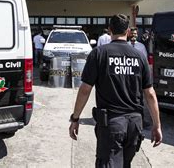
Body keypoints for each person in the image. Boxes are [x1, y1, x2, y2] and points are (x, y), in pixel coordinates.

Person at [69, 14, 162, 167]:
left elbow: (85, 89)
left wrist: (75, 118)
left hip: (111, 124)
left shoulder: (99, 54)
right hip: (134, 124)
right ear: (128, 31)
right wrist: (157, 125)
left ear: (110, 30)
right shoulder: (140, 56)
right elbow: (150, 94)